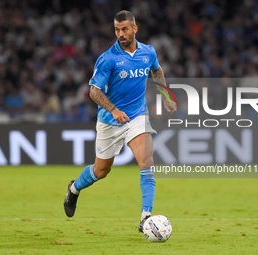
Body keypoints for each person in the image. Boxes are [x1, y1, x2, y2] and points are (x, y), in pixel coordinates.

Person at [64, 10, 176, 232]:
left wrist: (166, 95)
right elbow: (94, 91)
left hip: (137, 115)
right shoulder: (108, 58)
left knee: (146, 161)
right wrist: (113, 109)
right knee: (101, 171)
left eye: (125, 29)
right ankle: (74, 188)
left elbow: (157, 70)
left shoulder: (148, 52)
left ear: (135, 29)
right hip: (110, 120)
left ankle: (146, 218)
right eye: (117, 29)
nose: (121, 34)